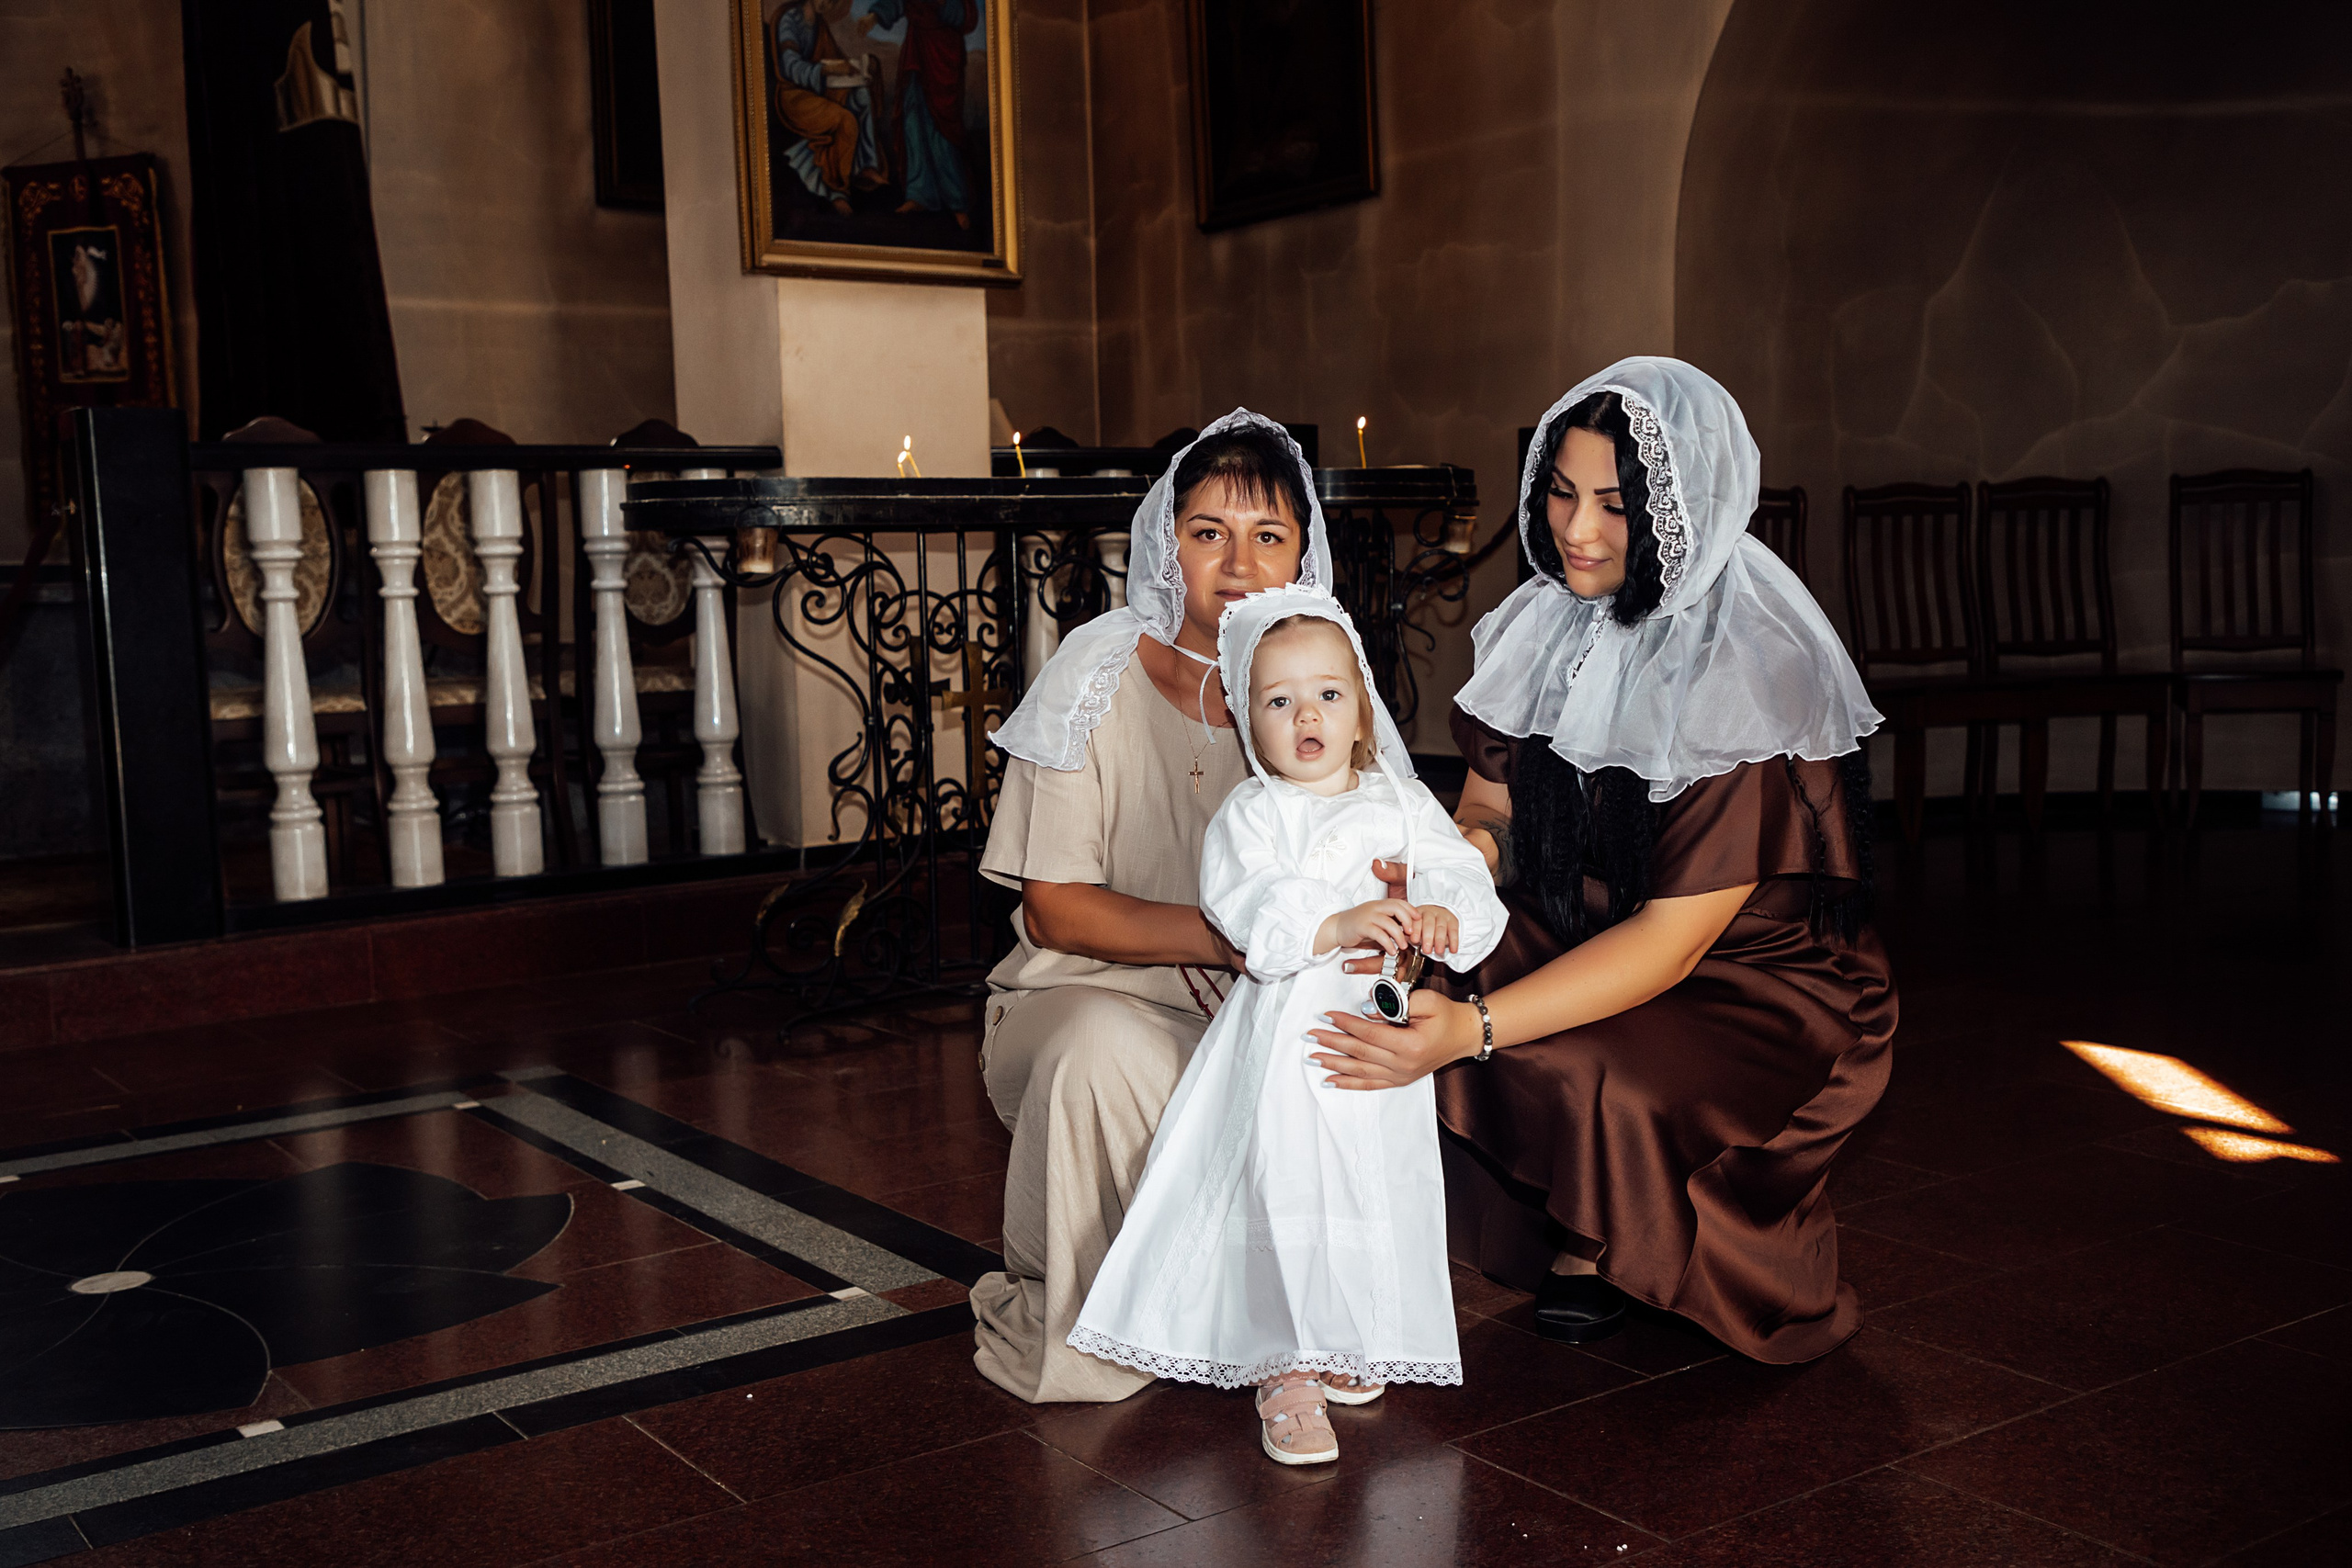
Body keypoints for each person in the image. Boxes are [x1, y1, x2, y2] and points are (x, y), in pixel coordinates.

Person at [1307, 357, 1896, 1364]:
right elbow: (1489, 802)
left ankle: (1604, 1234)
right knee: (1390, 970)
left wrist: (1475, 1029)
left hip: (1747, 982)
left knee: (1564, 1055)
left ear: (1681, 510)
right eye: (1562, 493)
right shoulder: (1549, 618)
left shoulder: (1748, 669)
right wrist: (1451, 877)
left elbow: (1669, 945)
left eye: (1616, 506)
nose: (1576, 531)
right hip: (1584, 922)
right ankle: (1351, 1238)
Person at [975, 411, 1362, 1404]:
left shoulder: (1317, 686)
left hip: (1256, 1015)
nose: (1237, 563)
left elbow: (1374, 860)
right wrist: (1236, 938)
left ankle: (1281, 1324)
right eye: (1208, 533)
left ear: (1301, 555)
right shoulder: (1093, 675)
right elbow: (1055, 912)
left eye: (1267, 536)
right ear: (1166, 542)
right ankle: (1090, 1334)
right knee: (1102, 1046)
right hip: (1080, 998)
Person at [1070, 589, 1506, 1464]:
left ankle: (1345, 1332)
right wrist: (1336, 922)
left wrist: (1446, 916)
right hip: (1288, 1045)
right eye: (1278, 701)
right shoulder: (1254, 814)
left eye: (1328, 694)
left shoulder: (1399, 802)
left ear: (1361, 706)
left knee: (1366, 1181)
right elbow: (1246, 906)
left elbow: (1462, 869)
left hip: (1378, 1047)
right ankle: (1284, 1365)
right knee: (1288, 1184)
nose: (1307, 715)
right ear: (1249, 722)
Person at [771, 0, 888, 215]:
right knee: (845, 120)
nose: (826, 3)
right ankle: (837, 191)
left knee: (861, 94)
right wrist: (825, 71)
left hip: (817, 89)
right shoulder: (790, 20)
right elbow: (790, 67)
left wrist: (854, 67)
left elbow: (833, 58)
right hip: (794, 95)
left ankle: (866, 165)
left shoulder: (819, 24)